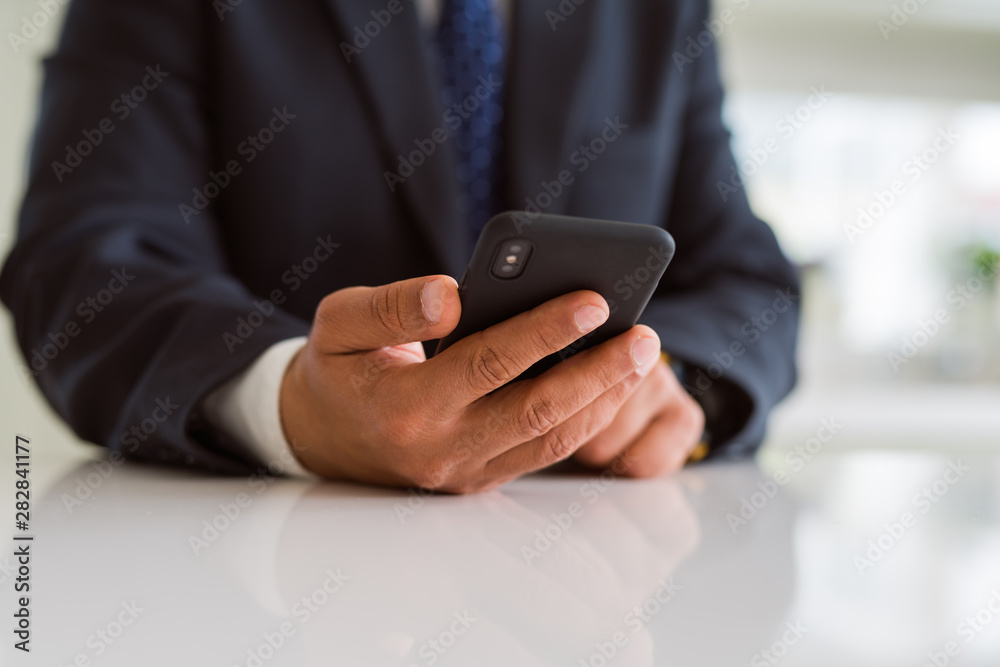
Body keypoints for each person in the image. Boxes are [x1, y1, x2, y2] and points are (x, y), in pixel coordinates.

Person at [0, 0, 799, 493]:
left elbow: (751, 280)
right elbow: (82, 260)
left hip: (586, 557)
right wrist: (292, 402)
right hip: (266, 569)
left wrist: (667, 379)